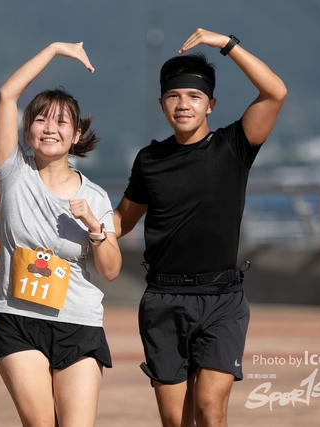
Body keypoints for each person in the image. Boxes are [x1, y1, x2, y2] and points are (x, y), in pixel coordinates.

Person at [114, 28, 287, 427]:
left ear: (210, 105)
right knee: (177, 422)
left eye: (194, 96)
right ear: (161, 104)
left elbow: (275, 92)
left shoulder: (234, 145)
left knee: (210, 408)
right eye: (173, 96)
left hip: (221, 298)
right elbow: (122, 220)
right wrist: (75, 226)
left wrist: (226, 45)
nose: (183, 104)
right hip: (163, 299)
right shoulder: (149, 159)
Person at [0, 42, 122, 426]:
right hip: (17, 319)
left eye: (61, 123)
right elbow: (6, 95)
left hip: (79, 322)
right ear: (28, 130)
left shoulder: (94, 195)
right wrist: (55, 50)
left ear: (76, 135)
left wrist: (96, 229)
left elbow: (110, 270)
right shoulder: (13, 172)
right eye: (41, 120)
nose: (50, 129)